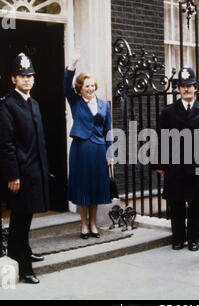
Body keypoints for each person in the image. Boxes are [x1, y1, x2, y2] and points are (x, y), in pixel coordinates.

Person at [0, 53, 49, 284]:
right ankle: (24, 267)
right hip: (21, 173)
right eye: (22, 76)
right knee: (20, 219)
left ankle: (22, 251)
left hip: (35, 170)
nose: (27, 80)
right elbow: (6, 144)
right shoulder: (8, 105)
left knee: (26, 217)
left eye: (30, 76)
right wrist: (13, 175)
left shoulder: (34, 103)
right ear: (13, 79)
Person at [156, 67, 199, 252]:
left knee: (195, 203)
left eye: (190, 86)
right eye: (183, 87)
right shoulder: (168, 112)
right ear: (178, 89)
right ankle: (178, 238)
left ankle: (194, 239)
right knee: (176, 202)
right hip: (175, 165)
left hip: (196, 165)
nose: (186, 90)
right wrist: (160, 163)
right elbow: (162, 138)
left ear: (196, 88)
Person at [63, 47, 113, 239]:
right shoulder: (75, 102)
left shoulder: (104, 105)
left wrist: (110, 153)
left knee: (96, 188)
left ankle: (93, 224)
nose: (90, 88)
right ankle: (83, 224)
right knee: (83, 188)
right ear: (80, 88)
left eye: (92, 85)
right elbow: (66, 85)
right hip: (81, 149)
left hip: (99, 150)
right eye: (86, 86)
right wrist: (73, 64)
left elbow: (109, 130)